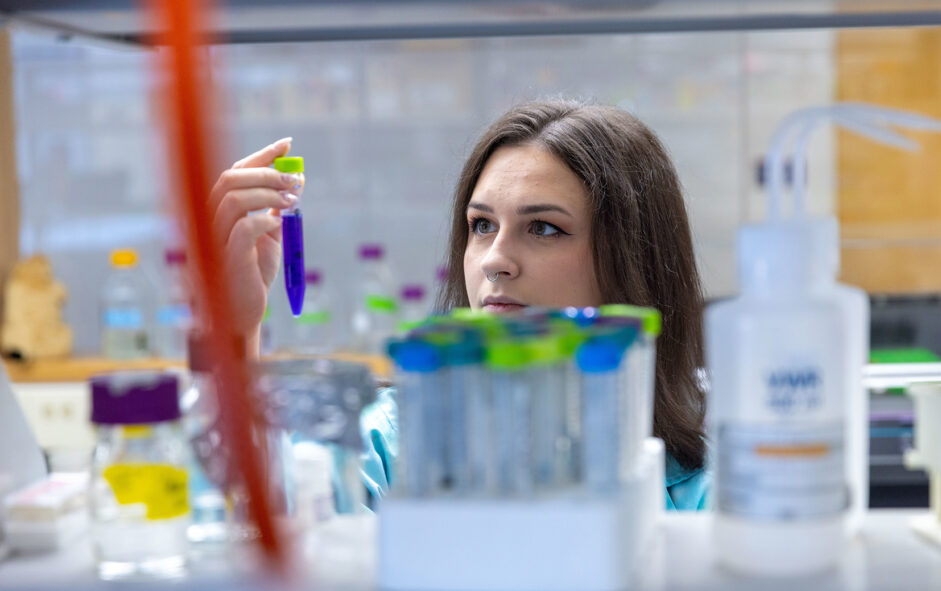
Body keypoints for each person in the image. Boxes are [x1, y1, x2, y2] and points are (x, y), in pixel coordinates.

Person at [209, 99, 709, 510]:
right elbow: (266, 526)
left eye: (544, 228)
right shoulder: (388, 442)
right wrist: (234, 329)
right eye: (482, 225)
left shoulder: (706, 483)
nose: (495, 260)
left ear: (633, 257)